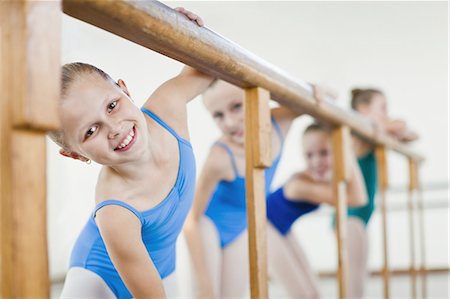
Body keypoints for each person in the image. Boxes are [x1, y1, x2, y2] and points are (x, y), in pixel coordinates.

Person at [50, 8, 214, 299]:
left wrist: (183, 31)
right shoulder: (115, 211)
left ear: (124, 89)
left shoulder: (167, 107)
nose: (114, 128)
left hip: (163, 266)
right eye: (90, 131)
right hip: (95, 282)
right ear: (76, 155)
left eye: (112, 105)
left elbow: (207, 66)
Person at [183, 80, 303, 298]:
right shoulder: (220, 157)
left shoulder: (278, 122)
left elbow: (316, 96)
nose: (229, 122)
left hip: (240, 227)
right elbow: (192, 220)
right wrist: (204, 285)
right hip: (209, 226)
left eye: (236, 106)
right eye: (217, 115)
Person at [266, 122, 367, 298]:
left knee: (314, 293)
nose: (316, 161)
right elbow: (357, 199)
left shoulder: (323, 179)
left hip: (280, 228)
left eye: (324, 153)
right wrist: (347, 151)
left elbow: (357, 196)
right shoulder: (301, 185)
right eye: (309, 155)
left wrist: (345, 148)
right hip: (261, 228)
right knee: (303, 295)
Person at [345, 88, 418, 298]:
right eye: (383, 108)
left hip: (359, 216)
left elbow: (411, 133)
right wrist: (394, 127)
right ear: (363, 109)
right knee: (355, 279)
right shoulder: (361, 132)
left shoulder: (373, 131)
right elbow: (396, 125)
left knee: (359, 276)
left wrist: (397, 129)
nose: (387, 113)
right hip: (351, 217)